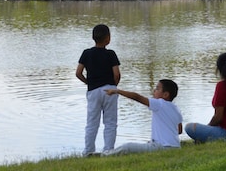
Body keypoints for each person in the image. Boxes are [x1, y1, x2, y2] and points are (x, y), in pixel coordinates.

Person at [103, 79, 183, 155]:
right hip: (176, 147)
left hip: (162, 147)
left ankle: (104, 155)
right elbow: (179, 131)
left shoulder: (159, 104)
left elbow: (137, 97)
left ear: (165, 95)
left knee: (128, 147)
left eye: (157, 89)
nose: (154, 91)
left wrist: (117, 91)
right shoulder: (176, 109)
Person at [76, 24, 121, 156]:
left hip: (93, 91)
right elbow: (117, 74)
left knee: (92, 122)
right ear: (108, 38)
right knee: (110, 122)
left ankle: (88, 151)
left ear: (93, 38)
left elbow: (78, 73)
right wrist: (114, 85)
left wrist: (88, 83)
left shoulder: (86, 53)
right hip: (110, 90)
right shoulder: (111, 54)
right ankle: (108, 150)